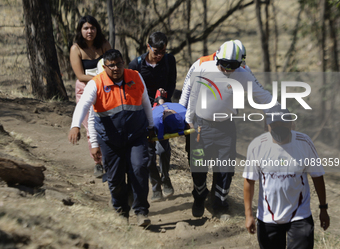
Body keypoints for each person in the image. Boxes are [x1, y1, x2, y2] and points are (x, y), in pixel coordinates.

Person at [186, 41, 275, 219]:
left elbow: (263, 96)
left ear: (240, 63)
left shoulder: (243, 75)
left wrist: (279, 111)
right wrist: (189, 120)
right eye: (224, 65)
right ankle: (199, 196)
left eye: (232, 66)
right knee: (198, 168)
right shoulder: (203, 69)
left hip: (226, 128)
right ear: (217, 58)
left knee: (225, 170)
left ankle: (219, 204)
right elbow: (193, 95)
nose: (227, 70)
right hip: (202, 127)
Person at [68, 49, 154, 227]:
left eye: (119, 63)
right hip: (110, 140)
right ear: (105, 67)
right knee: (115, 179)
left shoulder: (135, 77)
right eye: (111, 65)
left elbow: (146, 102)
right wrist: (75, 126)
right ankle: (121, 211)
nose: (116, 68)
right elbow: (84, 107)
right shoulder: (96, 83)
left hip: (136, 136)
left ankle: (141, 211)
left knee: (139, 170)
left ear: (123, 62)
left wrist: (152, 126)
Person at [243, 105, 330, 249]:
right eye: (274, 124)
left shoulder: (304, 143)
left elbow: (317, 176)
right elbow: (249, 181)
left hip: (299, 214)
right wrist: (248, 215)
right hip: (267, 217)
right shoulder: (257, 146)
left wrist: (323, 208)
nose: (279, 127)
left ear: (292, 124)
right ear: (267, 126)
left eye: (283, 123)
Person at [179, 39, 252, 165]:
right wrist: (182, 118)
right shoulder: (201, 64)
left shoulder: (243, 69)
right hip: (198, 121)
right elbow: (187, 91)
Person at [128, 32, 177, 202]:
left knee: (163, 150)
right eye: (156, 52)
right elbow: (132, 90)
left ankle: (165, 178)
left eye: (163, 52)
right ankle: (155, 186)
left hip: (164, 111)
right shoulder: (136, 65)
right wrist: (151, 102)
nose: (159, 56)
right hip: (143, 113)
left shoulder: (169, 61)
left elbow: (172, 83)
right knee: (148, 154)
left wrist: (163, 98)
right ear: (148, 47)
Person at [69, 15, 111, 178]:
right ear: (80, 30)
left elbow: (113, 63)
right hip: (85, 89)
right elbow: (80, 75)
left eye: (92, 28)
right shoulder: (76, 49)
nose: (89, 31)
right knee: (90, 127)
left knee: (107, 124)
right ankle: (98, 163)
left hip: (105, 89)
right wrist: (100, 79)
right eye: (86, 28)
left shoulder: (104, 45)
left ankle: (110, 158)